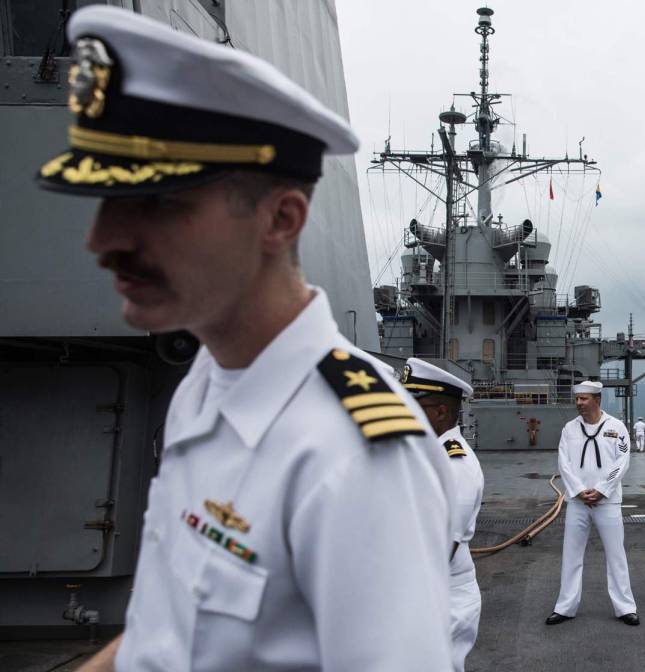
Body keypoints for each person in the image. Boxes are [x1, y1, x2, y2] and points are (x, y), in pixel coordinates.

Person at [45, 7, 455, 670]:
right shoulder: (204, 388)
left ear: (281, 221)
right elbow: (165, 634)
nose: (102, 242)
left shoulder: (353, 454)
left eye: (156, 204)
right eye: (103, 203)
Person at [402, 359, 485, 671]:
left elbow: (440, 549)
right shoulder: (425, 455)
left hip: (446, 596)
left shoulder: (456, 465)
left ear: (440, 412)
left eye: (412, 405)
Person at [546, 381, 639, 626]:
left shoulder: (616, 427)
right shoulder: (569, 429)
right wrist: (577, 491)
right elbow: (563, 462)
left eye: (584, 399)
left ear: (598, 399)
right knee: (571, 555)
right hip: (577, 503)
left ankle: (625, 607)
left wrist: (601, 489)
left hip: (607, 502)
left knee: (616, 555)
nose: (579, 403)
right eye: (577, 399)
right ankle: (565, 607)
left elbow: (622, 462)